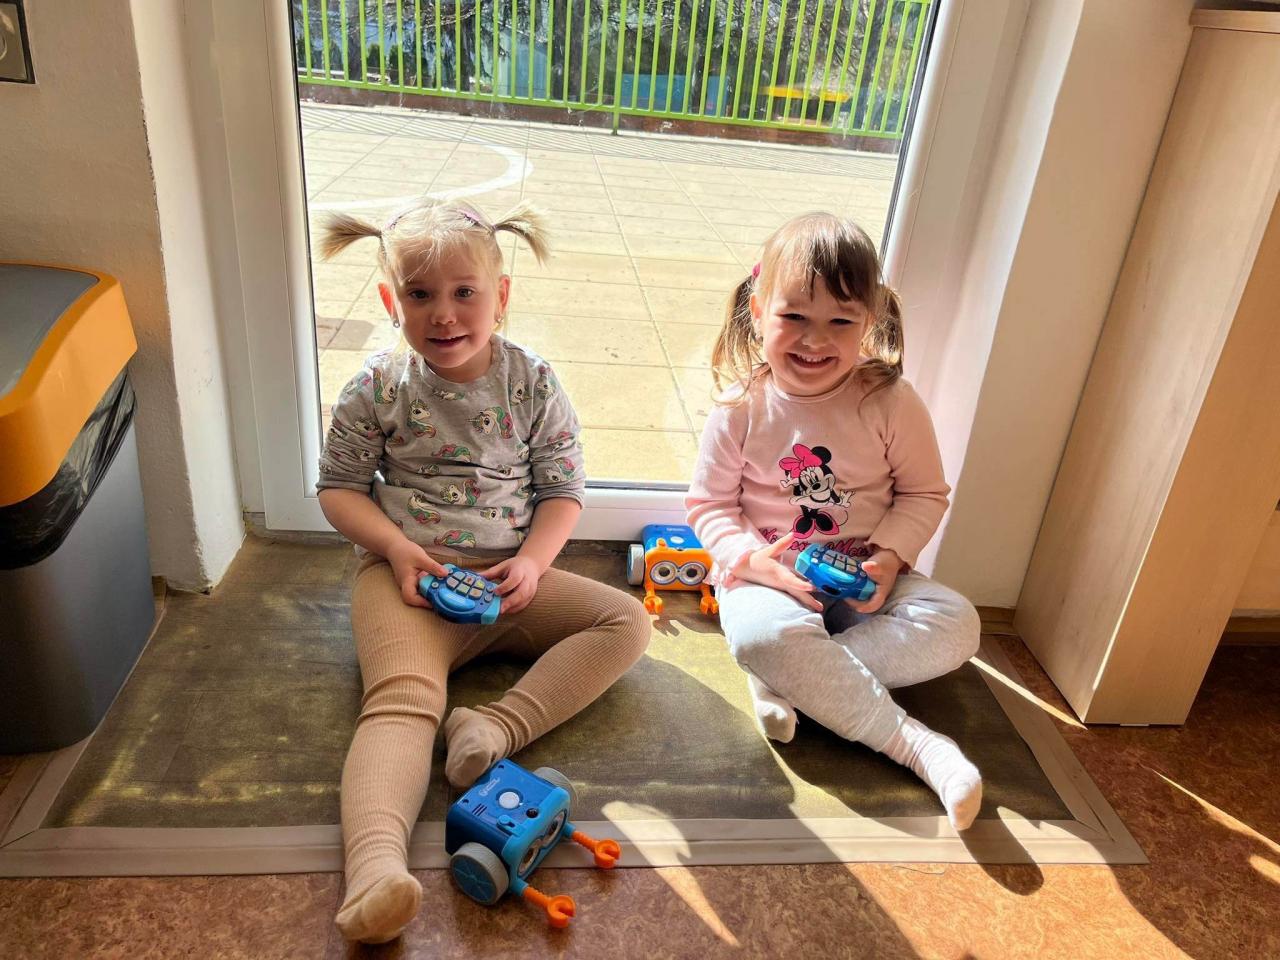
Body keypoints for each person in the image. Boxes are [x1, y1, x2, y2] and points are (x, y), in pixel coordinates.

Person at [316, 198, 649, 943]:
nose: (443, 314)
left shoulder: (532, 382)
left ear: (501, 296)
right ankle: (374, 874)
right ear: (390, 301)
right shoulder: (376, 386)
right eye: (420, 295)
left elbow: (562, 490)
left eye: (464, 292)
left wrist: (532, 562)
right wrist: (396, 550)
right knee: (401, 705)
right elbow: (338, 489)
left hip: (508, 582)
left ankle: (492, 726)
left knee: (626, 621)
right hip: (407, 583)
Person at [686, 212, 983, 832]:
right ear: (758, 310)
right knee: (763, 637)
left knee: (959, 625)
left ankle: (793, 679)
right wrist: (749, 561)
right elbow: (709, 505)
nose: (814, 341)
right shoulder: (740, 408)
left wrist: (890, 559)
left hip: (866, 579)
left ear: (869, 321)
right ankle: (916, 746)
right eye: (794, 316)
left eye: (840, 322)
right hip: (770, 582)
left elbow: (924, 493)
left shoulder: (889, 401)